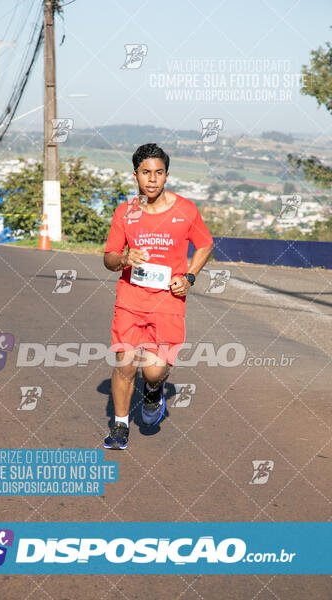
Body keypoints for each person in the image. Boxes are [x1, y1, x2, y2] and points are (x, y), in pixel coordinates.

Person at [103, 143, 213, 450]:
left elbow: (205, 244)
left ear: (166, 175)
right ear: (135, 175)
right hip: (130, 298)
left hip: (168, 301)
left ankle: (154, 389)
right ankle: (120, 426)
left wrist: (189, 276)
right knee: (125, 362)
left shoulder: (185, 210)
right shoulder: (125, 212)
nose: (152, 179)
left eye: (159, 172)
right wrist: (125, 259)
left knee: (152, 370)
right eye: (146, 173)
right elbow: (109, 258)